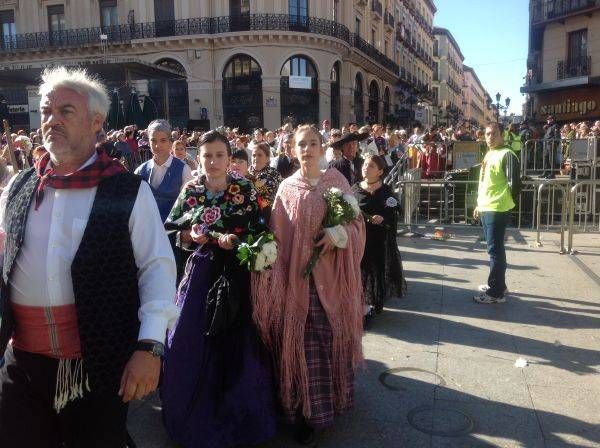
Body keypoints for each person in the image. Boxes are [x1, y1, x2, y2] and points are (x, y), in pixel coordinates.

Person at [0, 66, 179, 447]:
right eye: (47, 111)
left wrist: (150, 346)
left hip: (96, 362)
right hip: (22, 360)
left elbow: (157, 268)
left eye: (65, 111)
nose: (51, 121)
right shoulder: (19, 186)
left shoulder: (127, 190)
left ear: (97, 122)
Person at [161, 131, 276, 448]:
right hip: (201, 275)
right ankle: (195, 412)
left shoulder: (244, 188)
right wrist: (190, 237)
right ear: (199, 158)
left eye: (219, 155)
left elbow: (259, 229)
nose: (213, 161)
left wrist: (241, 243)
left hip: (236, 273)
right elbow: (173, 227)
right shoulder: (192, 189)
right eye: (207, 155)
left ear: (229, 158)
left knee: (236, 341)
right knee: (192, 337)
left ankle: (238, 413)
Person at [253, 124, 365, 445]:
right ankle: (305, 414)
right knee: (301, 344)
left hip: (332, 280)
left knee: (330, 339)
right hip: (298, 282)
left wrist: (337, 234)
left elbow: (356, 225)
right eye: (301, 144)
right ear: (292, 149)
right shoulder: (287, 188)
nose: (307, 149)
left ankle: (331, 404)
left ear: (322, 147)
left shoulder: (337, 181)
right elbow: (277, 234)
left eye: (313, 143)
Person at [473, 122, 521, 304]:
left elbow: (514, 184)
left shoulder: (507, 154)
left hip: (497, 208)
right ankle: (500, 285)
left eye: (493, 134)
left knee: (495, 250)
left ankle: (496, 292)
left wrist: (507, 203)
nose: (490, 137)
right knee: (494, 249)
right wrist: (479, 204)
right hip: (487, 206)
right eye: (487, 134)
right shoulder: (490, 153)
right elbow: (485, 182)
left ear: (502, 135)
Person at [352, 155, 405, 317]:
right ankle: (359, 302)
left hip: (379, 238)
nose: (365, 168)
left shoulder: (386, 191)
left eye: (371, 166)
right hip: (359, 238)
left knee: (376, 269)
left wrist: (384, 218)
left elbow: (395, 211)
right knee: (360, 269)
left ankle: (372, 301)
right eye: (365, 165)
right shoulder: (354, 190)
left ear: (380, 171)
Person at [135, 119, 193, 222]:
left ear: (170, 142)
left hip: (173, 229)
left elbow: (189, 205)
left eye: (163, 140)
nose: (158, 145)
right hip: (146, 228)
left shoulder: (184, 169)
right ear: (149, 142)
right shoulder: (140, 171)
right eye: (153, 140)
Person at [248, 142, 283, 215]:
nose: (256, 158)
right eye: (253, 155)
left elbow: (267, 196)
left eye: (260, 155)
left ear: (267, 158)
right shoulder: (247, 171)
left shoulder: (274, 174)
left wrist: (248, 176)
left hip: (266, 214)